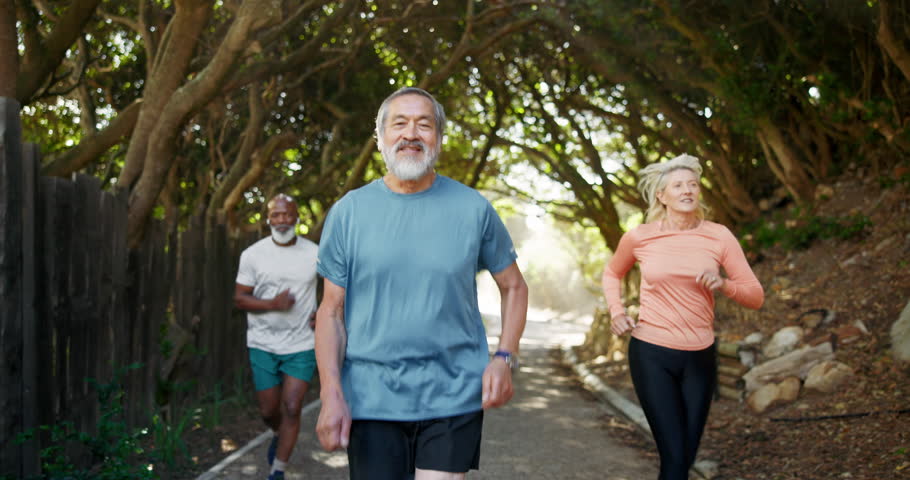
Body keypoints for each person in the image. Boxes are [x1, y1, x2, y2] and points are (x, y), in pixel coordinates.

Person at [314, 86, 528, 480]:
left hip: (454, 392)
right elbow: (331, 311)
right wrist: (331, 392)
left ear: (439, 139)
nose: (411, 134)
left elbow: (514, 285)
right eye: (399, 123)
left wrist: (504, 357)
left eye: (424, 124)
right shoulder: (348, 213)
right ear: (379, 138)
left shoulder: (473, 208)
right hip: (371, 396)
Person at [601, 154, 764, 480]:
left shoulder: (719, 236)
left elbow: (755, 295)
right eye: (678, 185)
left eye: (693, 184)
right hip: (651, 352)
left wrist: (724, 284)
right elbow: (611, 272)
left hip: (700, 357)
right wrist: (616, 312)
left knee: (684, 456)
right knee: (675, 458)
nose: (687, 190)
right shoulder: (640, 236)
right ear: (662, 196)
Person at [235, 194, 319, 480]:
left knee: (293, 407)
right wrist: (273, 304)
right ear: (268, 219)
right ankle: (277, 432)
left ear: (297, 218)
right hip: (263, 343)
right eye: (276, 215)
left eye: (287, 215)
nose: (282, 221)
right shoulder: (253, 255)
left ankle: (278, 471)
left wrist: (328, 311)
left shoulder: (315, 253)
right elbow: (240, 298)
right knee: (269, 410)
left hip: (302, 343)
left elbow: (337, 286)